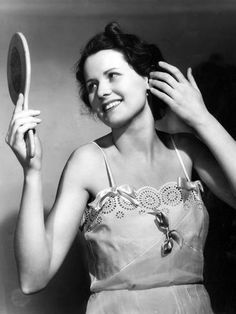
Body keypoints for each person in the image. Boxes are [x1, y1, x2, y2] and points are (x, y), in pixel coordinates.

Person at [5, 22, 236, 313]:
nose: (101, 91)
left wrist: (203, 119)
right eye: (92, 86)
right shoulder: (87, 162)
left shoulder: (187, 152)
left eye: (112, 75)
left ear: (147, 78)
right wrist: (31, 174)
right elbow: (32, 278)